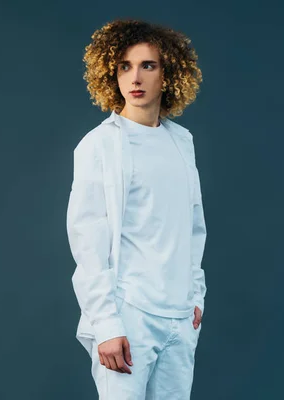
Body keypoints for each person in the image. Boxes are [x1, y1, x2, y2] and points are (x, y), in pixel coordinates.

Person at [66, 18, 207, 399]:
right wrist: (108, 324)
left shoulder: (182, 141)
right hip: (130, 314)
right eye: (124, 66)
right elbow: (87, 242)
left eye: (148, 65)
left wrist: (196, 295)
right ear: (110, 74)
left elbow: (193, 226)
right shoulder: (99, 146)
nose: (136, 77)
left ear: (168, 73)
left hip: (179, 318)